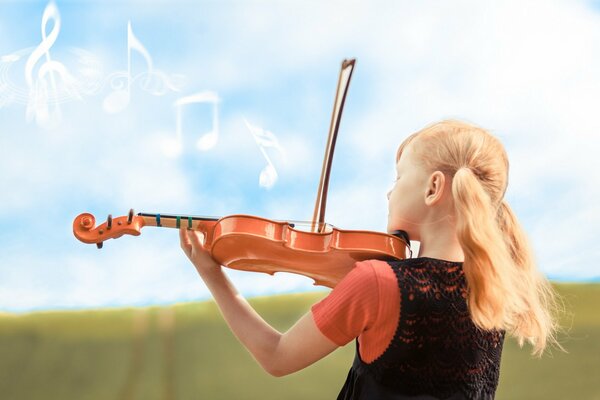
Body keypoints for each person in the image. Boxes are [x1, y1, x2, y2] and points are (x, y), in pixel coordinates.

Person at [179, 119, 561, 399]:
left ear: (433, 188)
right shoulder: (490, 295)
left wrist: (211, 273)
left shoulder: (378, 282)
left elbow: (276, 356)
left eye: (398, 178)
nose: (390, 192)